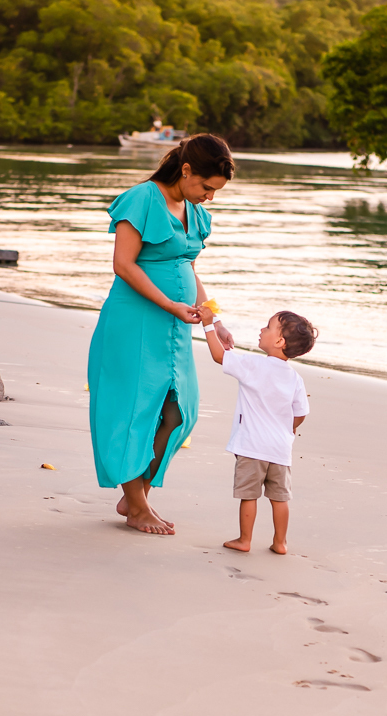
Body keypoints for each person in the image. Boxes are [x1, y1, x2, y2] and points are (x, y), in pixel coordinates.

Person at [88, 134, 235, 534]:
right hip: (133, 323)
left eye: (215, 191)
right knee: (131, 410)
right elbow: (124, 264)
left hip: (174, 331)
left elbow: (189, 268)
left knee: (179, 411)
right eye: (206, 187)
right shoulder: (142, 199)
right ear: (186, 170)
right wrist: (170, 304)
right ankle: (136, 505)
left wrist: (214, 319)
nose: (208, 197)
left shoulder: (194, 212)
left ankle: (137, 494)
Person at [197, 304, 317, 555]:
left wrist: (208, 324)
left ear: (280, 341)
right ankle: (280, 542)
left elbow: (219, 356)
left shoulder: (253, 365)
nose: (262, 329)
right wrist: (288, 429)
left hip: (252, 446)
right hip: (280, 449)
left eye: (268, 326)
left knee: (249, 495)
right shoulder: (295, 378)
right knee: (280, 497)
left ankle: (245, 539)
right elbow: (301, 413)